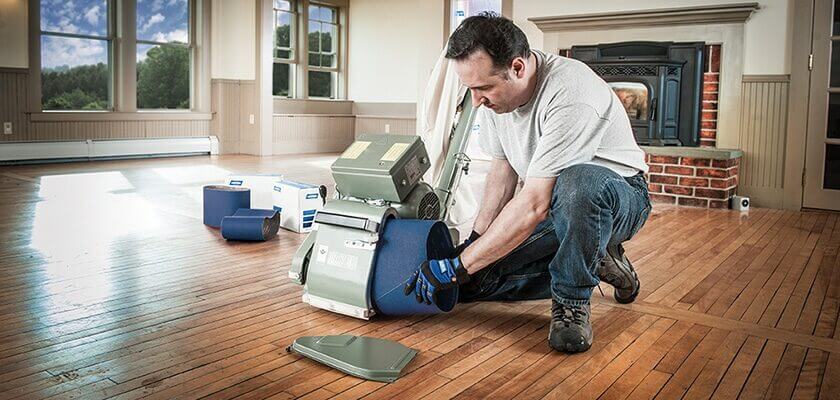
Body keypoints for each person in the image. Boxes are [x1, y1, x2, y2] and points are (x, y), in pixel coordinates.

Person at [404, 12, 651, 353]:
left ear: (518, 67)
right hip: (557, 206)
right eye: (471, 89)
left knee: (579, 181)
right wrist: (474, 244)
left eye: (484, 88)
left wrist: (457, 267)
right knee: (476, 282)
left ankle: (572, 302)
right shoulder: (496, 103)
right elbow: (501, 174)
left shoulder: (571, 92)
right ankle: (599, 261)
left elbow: (534, 203)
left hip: (619, 199)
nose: (476, 100)